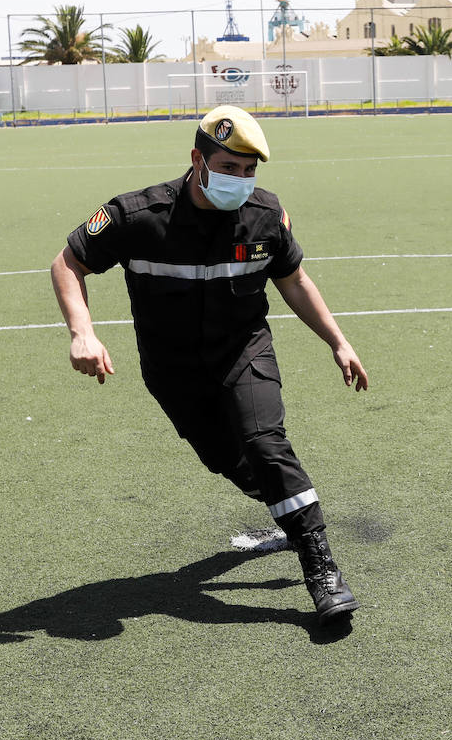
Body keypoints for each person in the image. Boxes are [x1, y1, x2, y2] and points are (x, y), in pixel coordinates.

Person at [49, 105, 369, 625]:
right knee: (227, 458)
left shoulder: (266, 214)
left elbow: (294, 280)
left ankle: (320, 564)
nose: (240, 181)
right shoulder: (137, 215)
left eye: (249, 171)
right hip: (171, 369)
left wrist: (338, 341)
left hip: (243, 351)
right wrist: (82, 332)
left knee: (265, 440)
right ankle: (283, 498)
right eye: (228, 168)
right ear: (197, 159)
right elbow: (69, 262)